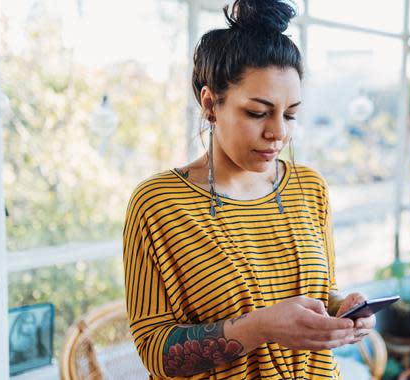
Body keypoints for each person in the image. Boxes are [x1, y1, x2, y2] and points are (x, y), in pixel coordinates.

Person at [122, 0, 376, 378]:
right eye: (258, 112)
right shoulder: (159, 205)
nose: (279, 133)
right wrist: (260, 327)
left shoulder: (309, 188)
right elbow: (157, 354)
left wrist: (343, 309)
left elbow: (321, 293)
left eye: (290, 114)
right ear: (210, 104)